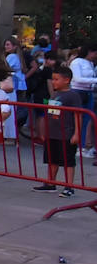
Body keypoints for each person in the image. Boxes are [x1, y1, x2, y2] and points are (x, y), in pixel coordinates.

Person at [35, 65, 80, 197]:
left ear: (66, 80)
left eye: (56, 79)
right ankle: (50, 183)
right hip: (52, 133)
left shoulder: (73, 95)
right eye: (53, 79)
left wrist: (77, 133)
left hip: (66, 133)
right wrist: (44, 131)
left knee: (68, 161)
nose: (53, 82)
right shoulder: (55, 94)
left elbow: (78, 115)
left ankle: (69, 186)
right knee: (51, 159)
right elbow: (50, 114)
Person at [70, 45, 96, 158]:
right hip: (77, 91)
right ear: (90, 51)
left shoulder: (90, 63)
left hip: (88, 92)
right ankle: (73, 145)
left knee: (86, 120)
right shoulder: (77, 62)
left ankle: (82, 146)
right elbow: (77, 78)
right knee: (75, 119)